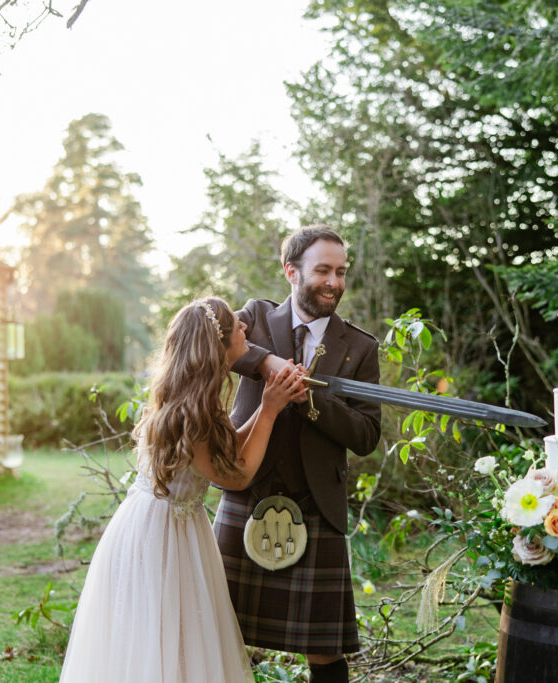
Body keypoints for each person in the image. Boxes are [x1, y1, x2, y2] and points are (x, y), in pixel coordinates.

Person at [59, 297, 306, 683]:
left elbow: (224, 451)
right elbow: (235, 474)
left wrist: (267, 401)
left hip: (158, 523)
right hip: (163, 536)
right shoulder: (197, 409)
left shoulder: (191, 395)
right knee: (165, 636)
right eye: (237, 326)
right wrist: (271, 410)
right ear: (219, 344)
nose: (245, 328)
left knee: (168, 637)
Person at [213, 225, 382, 683]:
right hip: (245, 491)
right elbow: (220, 349)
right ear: (292, 271)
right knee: (220, 630)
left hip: (316, 507)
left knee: (325, 652)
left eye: (341, 272)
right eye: (323, 270)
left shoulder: (360, 346)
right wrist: (270, 364)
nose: (334, 282)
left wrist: (311, 399)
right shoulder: (255, 318)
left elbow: (367, 434)